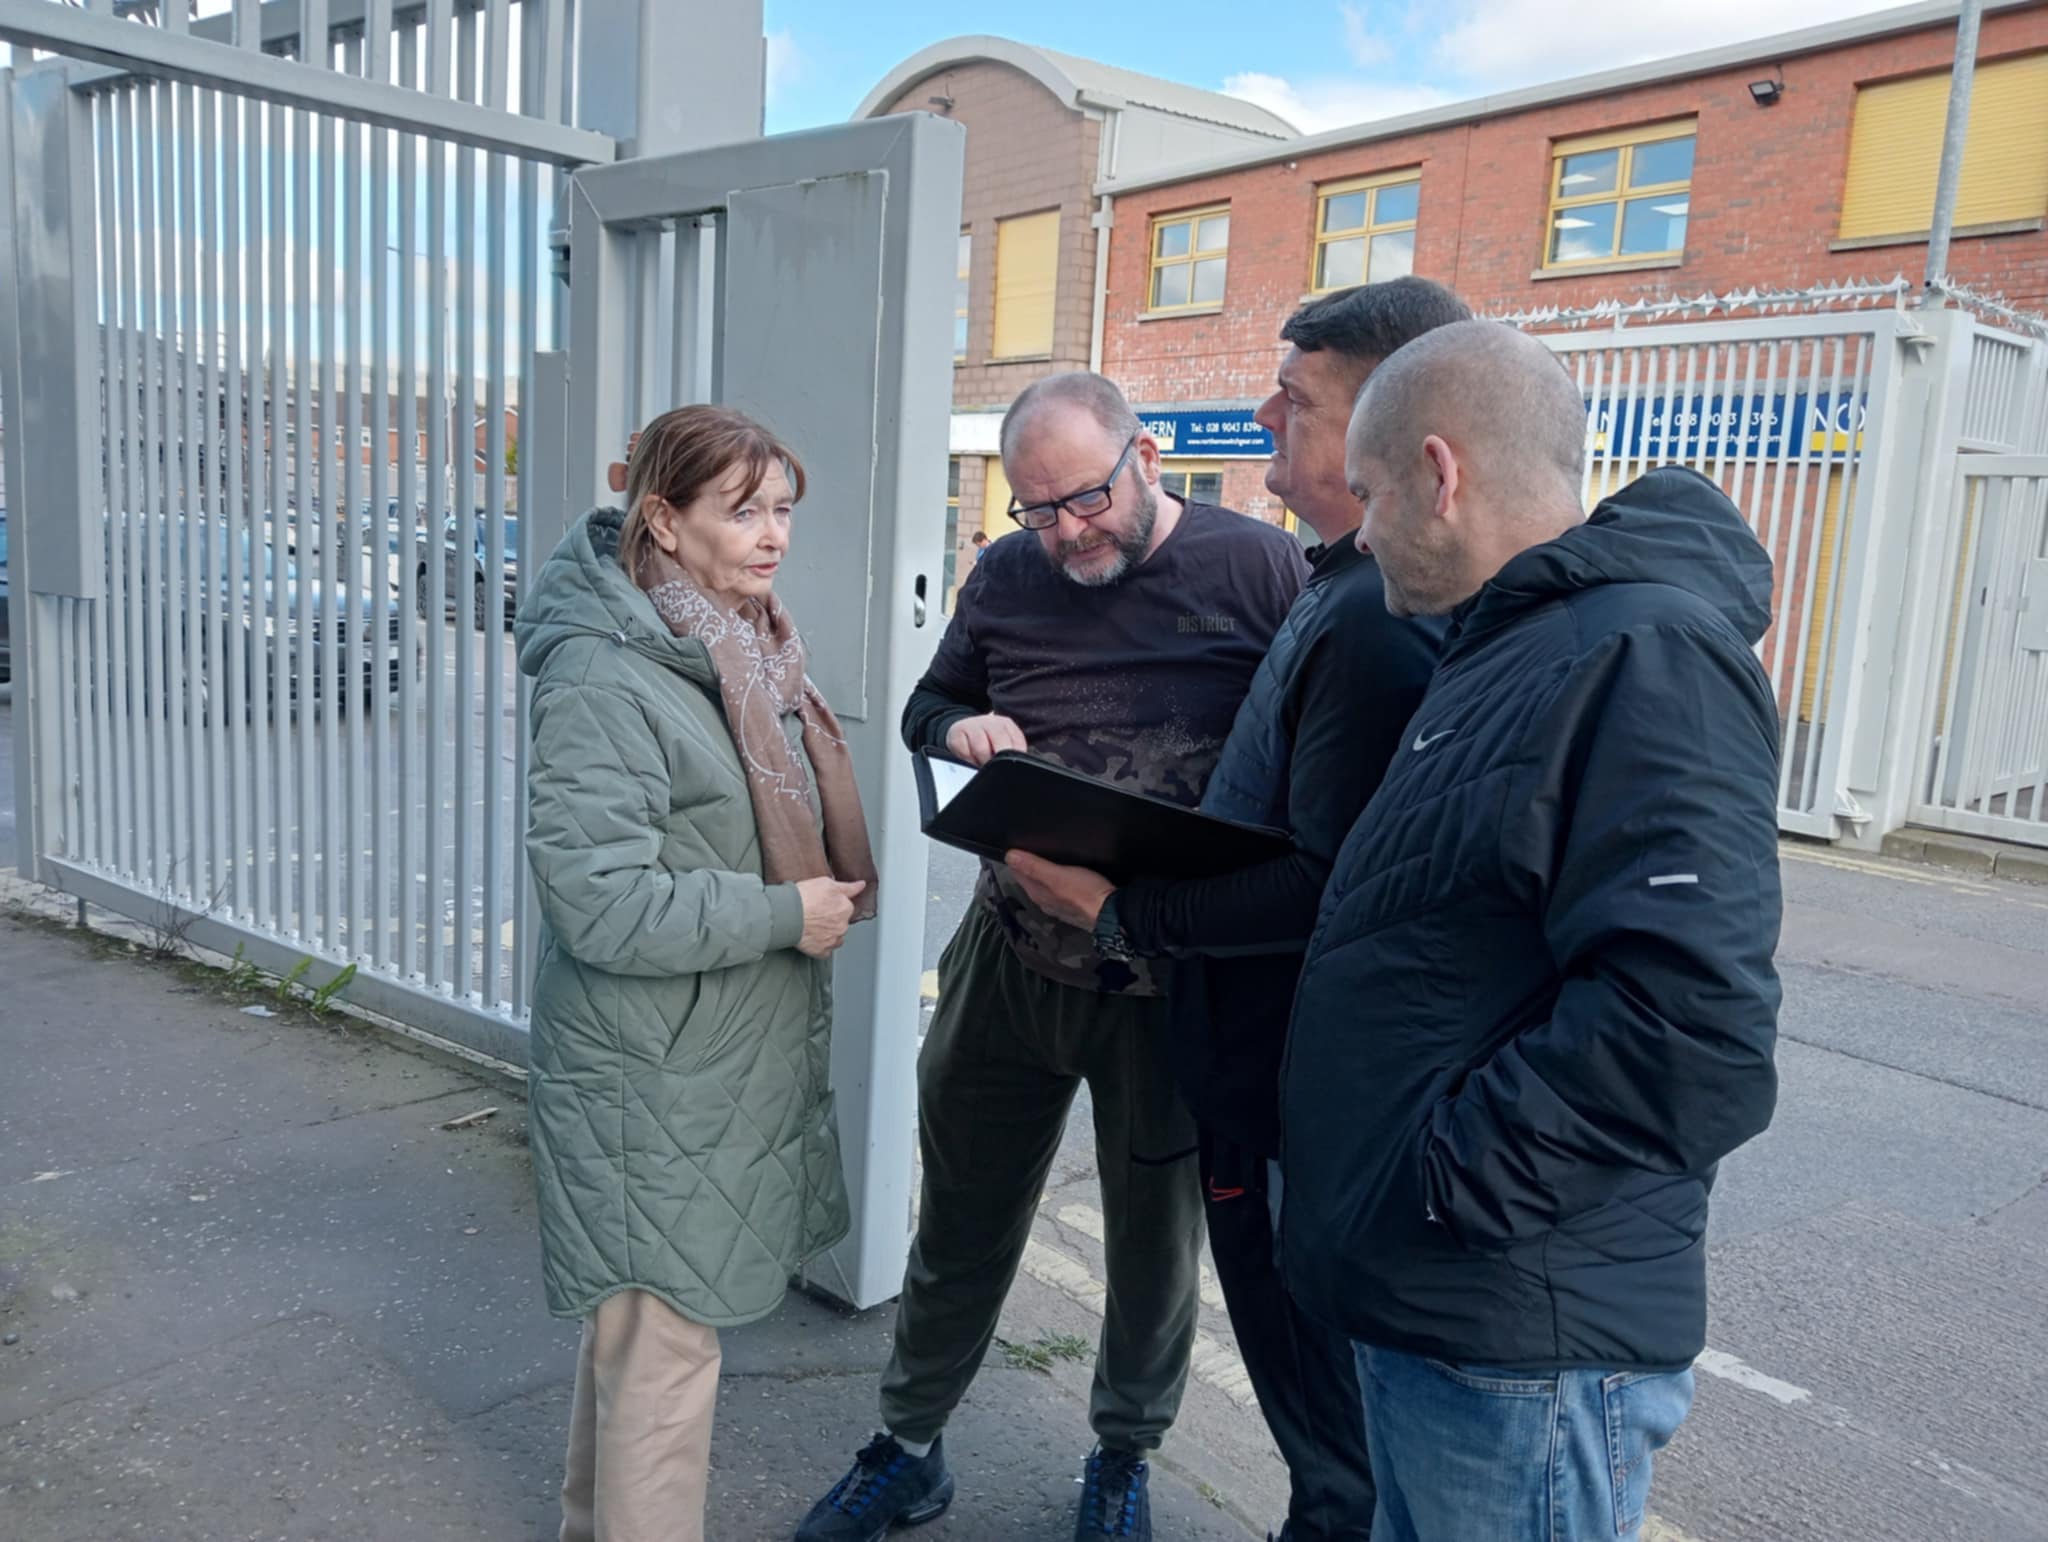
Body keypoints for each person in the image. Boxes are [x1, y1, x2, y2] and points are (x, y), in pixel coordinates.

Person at [1282, 319, 1783, 1542]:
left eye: (1368, 491)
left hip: (1512, 1337)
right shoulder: (1510, 648)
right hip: (1447, 1313)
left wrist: (1435, 1190)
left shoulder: (1639, 652)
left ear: (1439, 476)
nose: (1352, 525)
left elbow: (1687, 1033)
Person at [796, 372, 1308, 1542]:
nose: (1064, 533)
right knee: (962, 1214)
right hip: (1012, 955)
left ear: (1146, 455)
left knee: (1152, 1243)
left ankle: (1122, 1457)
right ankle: (909, 1442)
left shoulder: (1260, 569)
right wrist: (954, 730)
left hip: (1168, 975)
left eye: (1082, 500)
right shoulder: (1007, 574)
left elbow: (1304, 769)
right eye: (1037, 512)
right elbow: (933, 705)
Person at [1005, 277, 1469, 1542]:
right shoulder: (1340, 583)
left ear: (1391, 422)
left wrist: (1119, 912)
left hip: (1285, 1096)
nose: (1264, 413)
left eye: (1295, 398)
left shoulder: (1376, 619)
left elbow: (1324, 877)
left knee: (1334, 1450)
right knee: (1319, 1428)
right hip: (1256, 1076)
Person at [519, 405, 879, 1542]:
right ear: (663, 521)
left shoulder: (735, 642)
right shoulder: (605, 674)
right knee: (665, 1364)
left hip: (694, 1065)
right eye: (743, 511)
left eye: (782, 509)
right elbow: (598, 902)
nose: (773, 535)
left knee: (641, 1347)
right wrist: (783, 912)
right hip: (648, 1078)